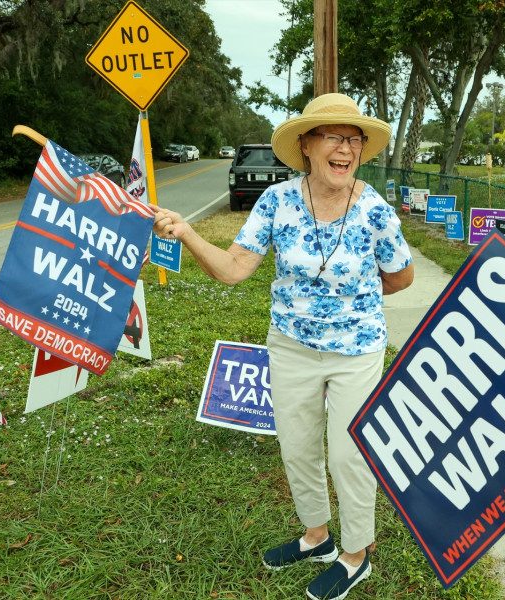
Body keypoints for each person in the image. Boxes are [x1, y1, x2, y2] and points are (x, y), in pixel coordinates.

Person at [152, 93, 414, 600]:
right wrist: (186, 233)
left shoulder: (375, 209)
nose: (346, 148)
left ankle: (355, 553)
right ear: (307, 146)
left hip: (356, 349)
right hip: (290, 346)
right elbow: (233, 269)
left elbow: (400, 277)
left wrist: (352, 296)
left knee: (349, 455)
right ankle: (317, 537)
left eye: (354, 139)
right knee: (296, 448)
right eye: (333, 137)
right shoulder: (278, 200)